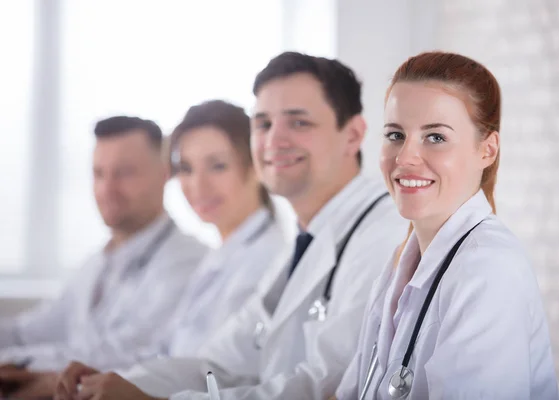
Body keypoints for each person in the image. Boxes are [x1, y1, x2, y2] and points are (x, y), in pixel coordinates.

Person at [53, 52, 409, 400]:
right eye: (264, 124)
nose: (273, 140)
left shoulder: (383, 235)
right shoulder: (300, 246)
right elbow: (219, 363)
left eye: (299, 122)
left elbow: (329, 387)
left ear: (353, 135)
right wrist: (119, 382)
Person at [335, 51, 559, 399]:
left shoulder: (488, 270)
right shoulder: (400, 264)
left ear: (487, 150)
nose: (405, 157)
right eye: (395, 134)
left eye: (435, 137)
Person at [56, 100, 291, 380]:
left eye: (217, 166)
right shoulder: (222, 257)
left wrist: (128, 386)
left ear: (256, 166)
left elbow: (222, 374)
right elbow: (166, 351)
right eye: (187, 168)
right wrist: (101, 377)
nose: (198, 186)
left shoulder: (267, 261)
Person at [0, 117, 209, 397]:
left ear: (163, 175)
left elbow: (124, 352)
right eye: (99, 173)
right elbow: (30, 330)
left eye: (124, 173)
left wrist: (16, 363)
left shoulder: (186, 261)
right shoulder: (98, 262)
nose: (107, 189)